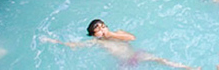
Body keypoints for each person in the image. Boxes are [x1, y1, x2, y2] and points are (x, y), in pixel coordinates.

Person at [43, 19, 195, 69]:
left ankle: (186, 68)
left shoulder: (118, 33)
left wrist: (112, 34)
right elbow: (75, 45)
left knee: (159, 59)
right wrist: (54, 41)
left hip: (136, 54)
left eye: (103, 26)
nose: (103, 30)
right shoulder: (97, 42)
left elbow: (132, 38)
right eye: (98, 30)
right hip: (124, 63)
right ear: (94, 35)